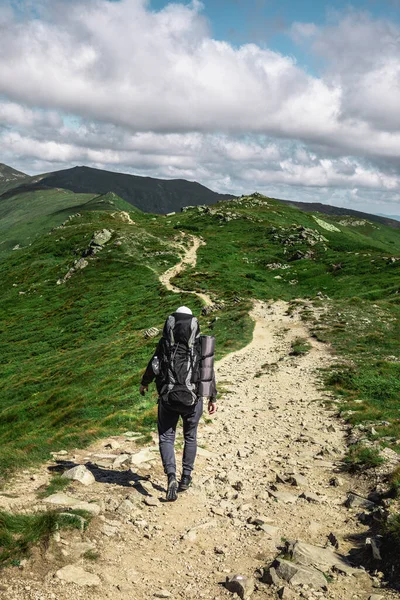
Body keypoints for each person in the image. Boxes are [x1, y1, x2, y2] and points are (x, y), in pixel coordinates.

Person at [140, 306, 217, 501]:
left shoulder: (165, 342)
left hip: (168, 398)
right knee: (190, 437)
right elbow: (207, 371)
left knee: (166, 438)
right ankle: (186, 477)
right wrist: (212, 398)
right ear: (192, 324)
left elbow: (154, 364)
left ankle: (171, 476)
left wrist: (144, 383)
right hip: (193, 400)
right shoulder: (200, 344)